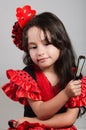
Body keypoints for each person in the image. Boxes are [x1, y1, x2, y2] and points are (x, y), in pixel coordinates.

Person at [2, 5, 86, 130]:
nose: (40, 52)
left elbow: (69, 118)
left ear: (61, 43)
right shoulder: (27, 75)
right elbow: (41, 112)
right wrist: (66, 93)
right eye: (33, 47)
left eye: (46, 44)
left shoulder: (73, 76)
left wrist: (30, 121)